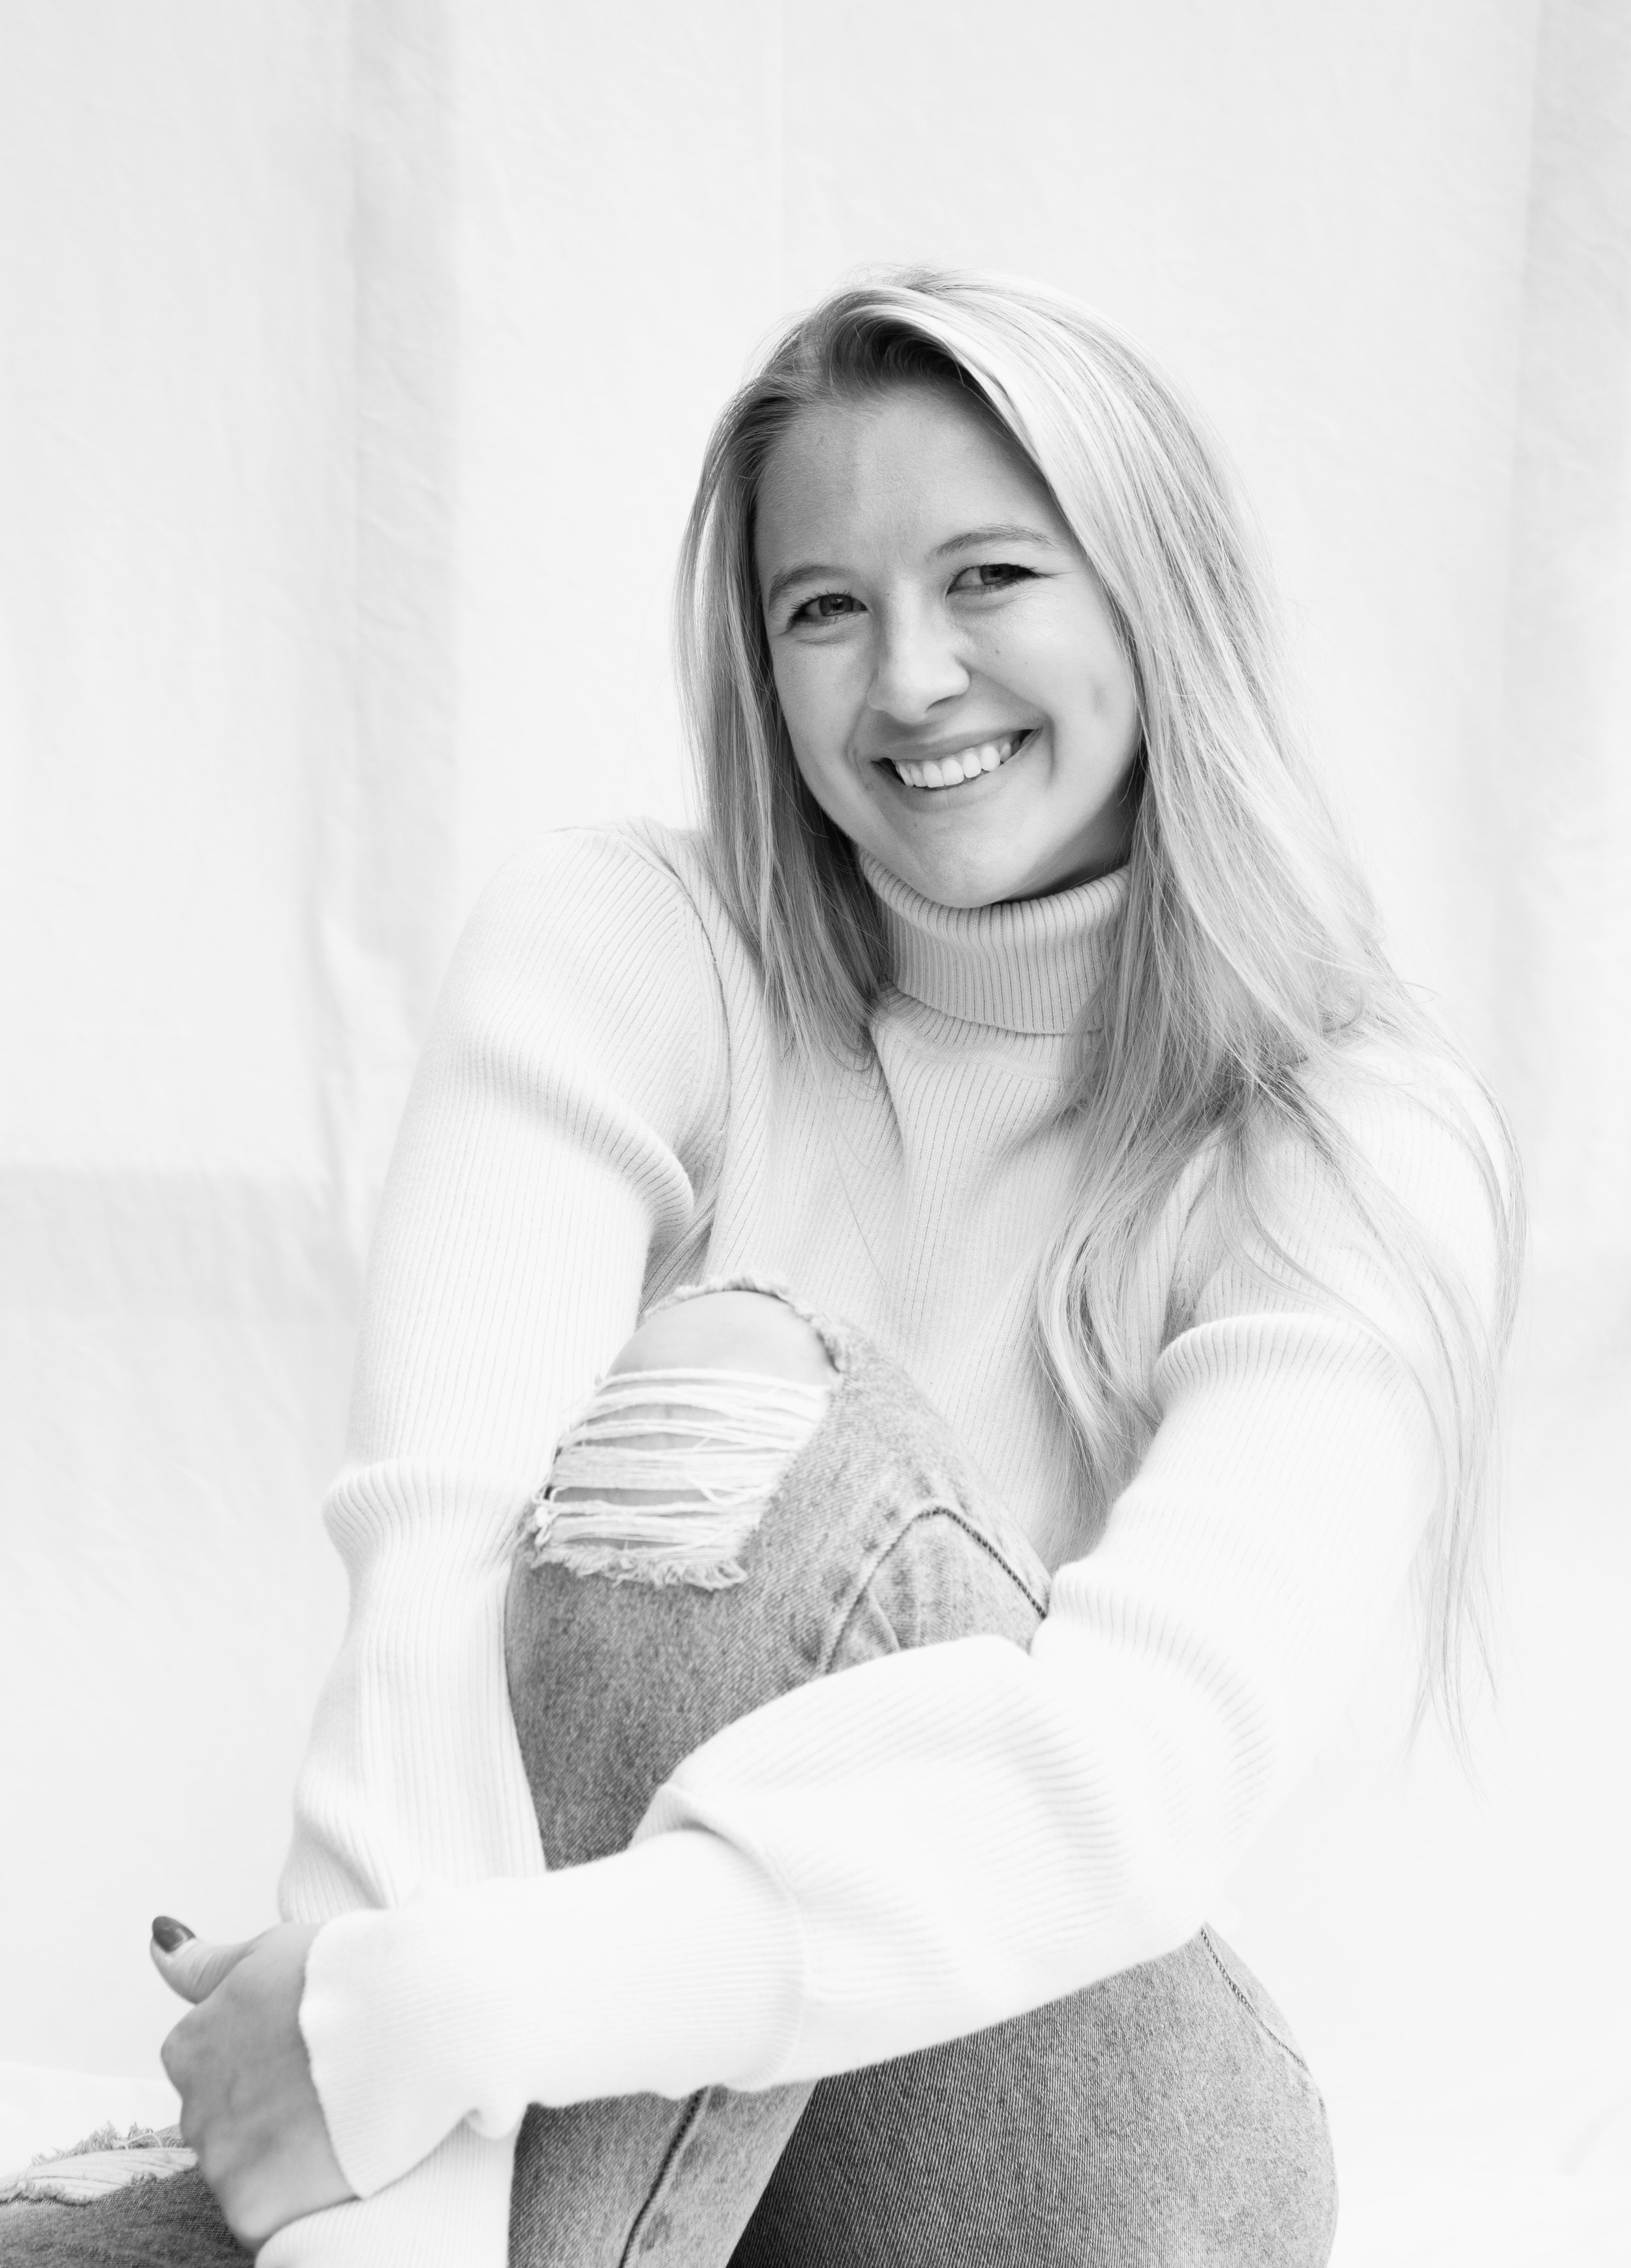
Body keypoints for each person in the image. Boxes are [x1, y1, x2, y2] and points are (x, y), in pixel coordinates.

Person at [2, 269, 1519, 2267]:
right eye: (822, 607)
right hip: (624, 2138)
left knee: (733, 1404)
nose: (909, 677)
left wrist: (412, 2011)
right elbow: (429, 1591)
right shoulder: (627, 945)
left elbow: (1121, 1779)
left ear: (1157, 598)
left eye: (988, 576)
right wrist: (364, 2175)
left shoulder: (1349, 1127)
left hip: (1088, 2142)